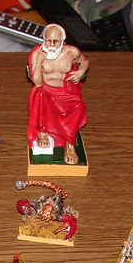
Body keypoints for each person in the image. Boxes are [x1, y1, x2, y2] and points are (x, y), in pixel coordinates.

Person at [27, 24, 88, 164]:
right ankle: (42, 132)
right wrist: (39, 62)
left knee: (78, 106)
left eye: (56, 41)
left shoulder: (71, 52)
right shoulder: (37, 54)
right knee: (40, 95)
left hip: (65, 91)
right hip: (45, 89)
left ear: (62, 40)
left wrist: (81, 71)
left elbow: (84, 61)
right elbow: (37, 83)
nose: (52, 45)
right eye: (48, 40)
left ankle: (70, 143)